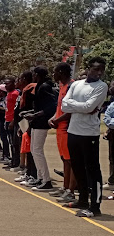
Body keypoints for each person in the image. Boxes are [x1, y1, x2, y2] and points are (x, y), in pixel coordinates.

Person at [61, 57, 108, 217]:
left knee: (92, 169)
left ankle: (95, 206)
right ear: (88, 68)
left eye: (102, 69)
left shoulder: (102, 86)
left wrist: (75, 106)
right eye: (96, 69)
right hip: (74, 131)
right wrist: (81, 107)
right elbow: (63, 105)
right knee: (78, 167)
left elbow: (89, 107)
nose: (99, 72)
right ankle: (82, 200)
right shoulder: (76, 84)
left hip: (89, 134)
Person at [21, 67, 57, 191]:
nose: (34, 77)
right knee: (33, 149)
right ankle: (40, 178)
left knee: (37, 150)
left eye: (34, 74)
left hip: (42, 123)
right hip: (36, 122)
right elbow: (40, 106)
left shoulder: (45, 86)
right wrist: (30, 112)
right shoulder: (40, 86)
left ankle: (46, 180)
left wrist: (35, 115)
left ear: (38, 75)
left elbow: (52, 106)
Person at [49, 63, 76, 203]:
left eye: (54, 72)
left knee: (70, 160)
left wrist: (58, 119)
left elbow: (70, 110)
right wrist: (53, 118)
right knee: (64, 159)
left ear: (61, 72)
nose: (53, 75)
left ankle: (71, 191)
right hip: (60, 127)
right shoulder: (62, 86)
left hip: (66, 128)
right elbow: (60, 107)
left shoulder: (72, 86)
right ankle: (65, 187)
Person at [103, 80, 114, 192]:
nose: (111, 88)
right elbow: (106, 118)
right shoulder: (112, 102)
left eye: (113, 86)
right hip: (112, 133)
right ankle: (112, 181)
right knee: (112, 158)